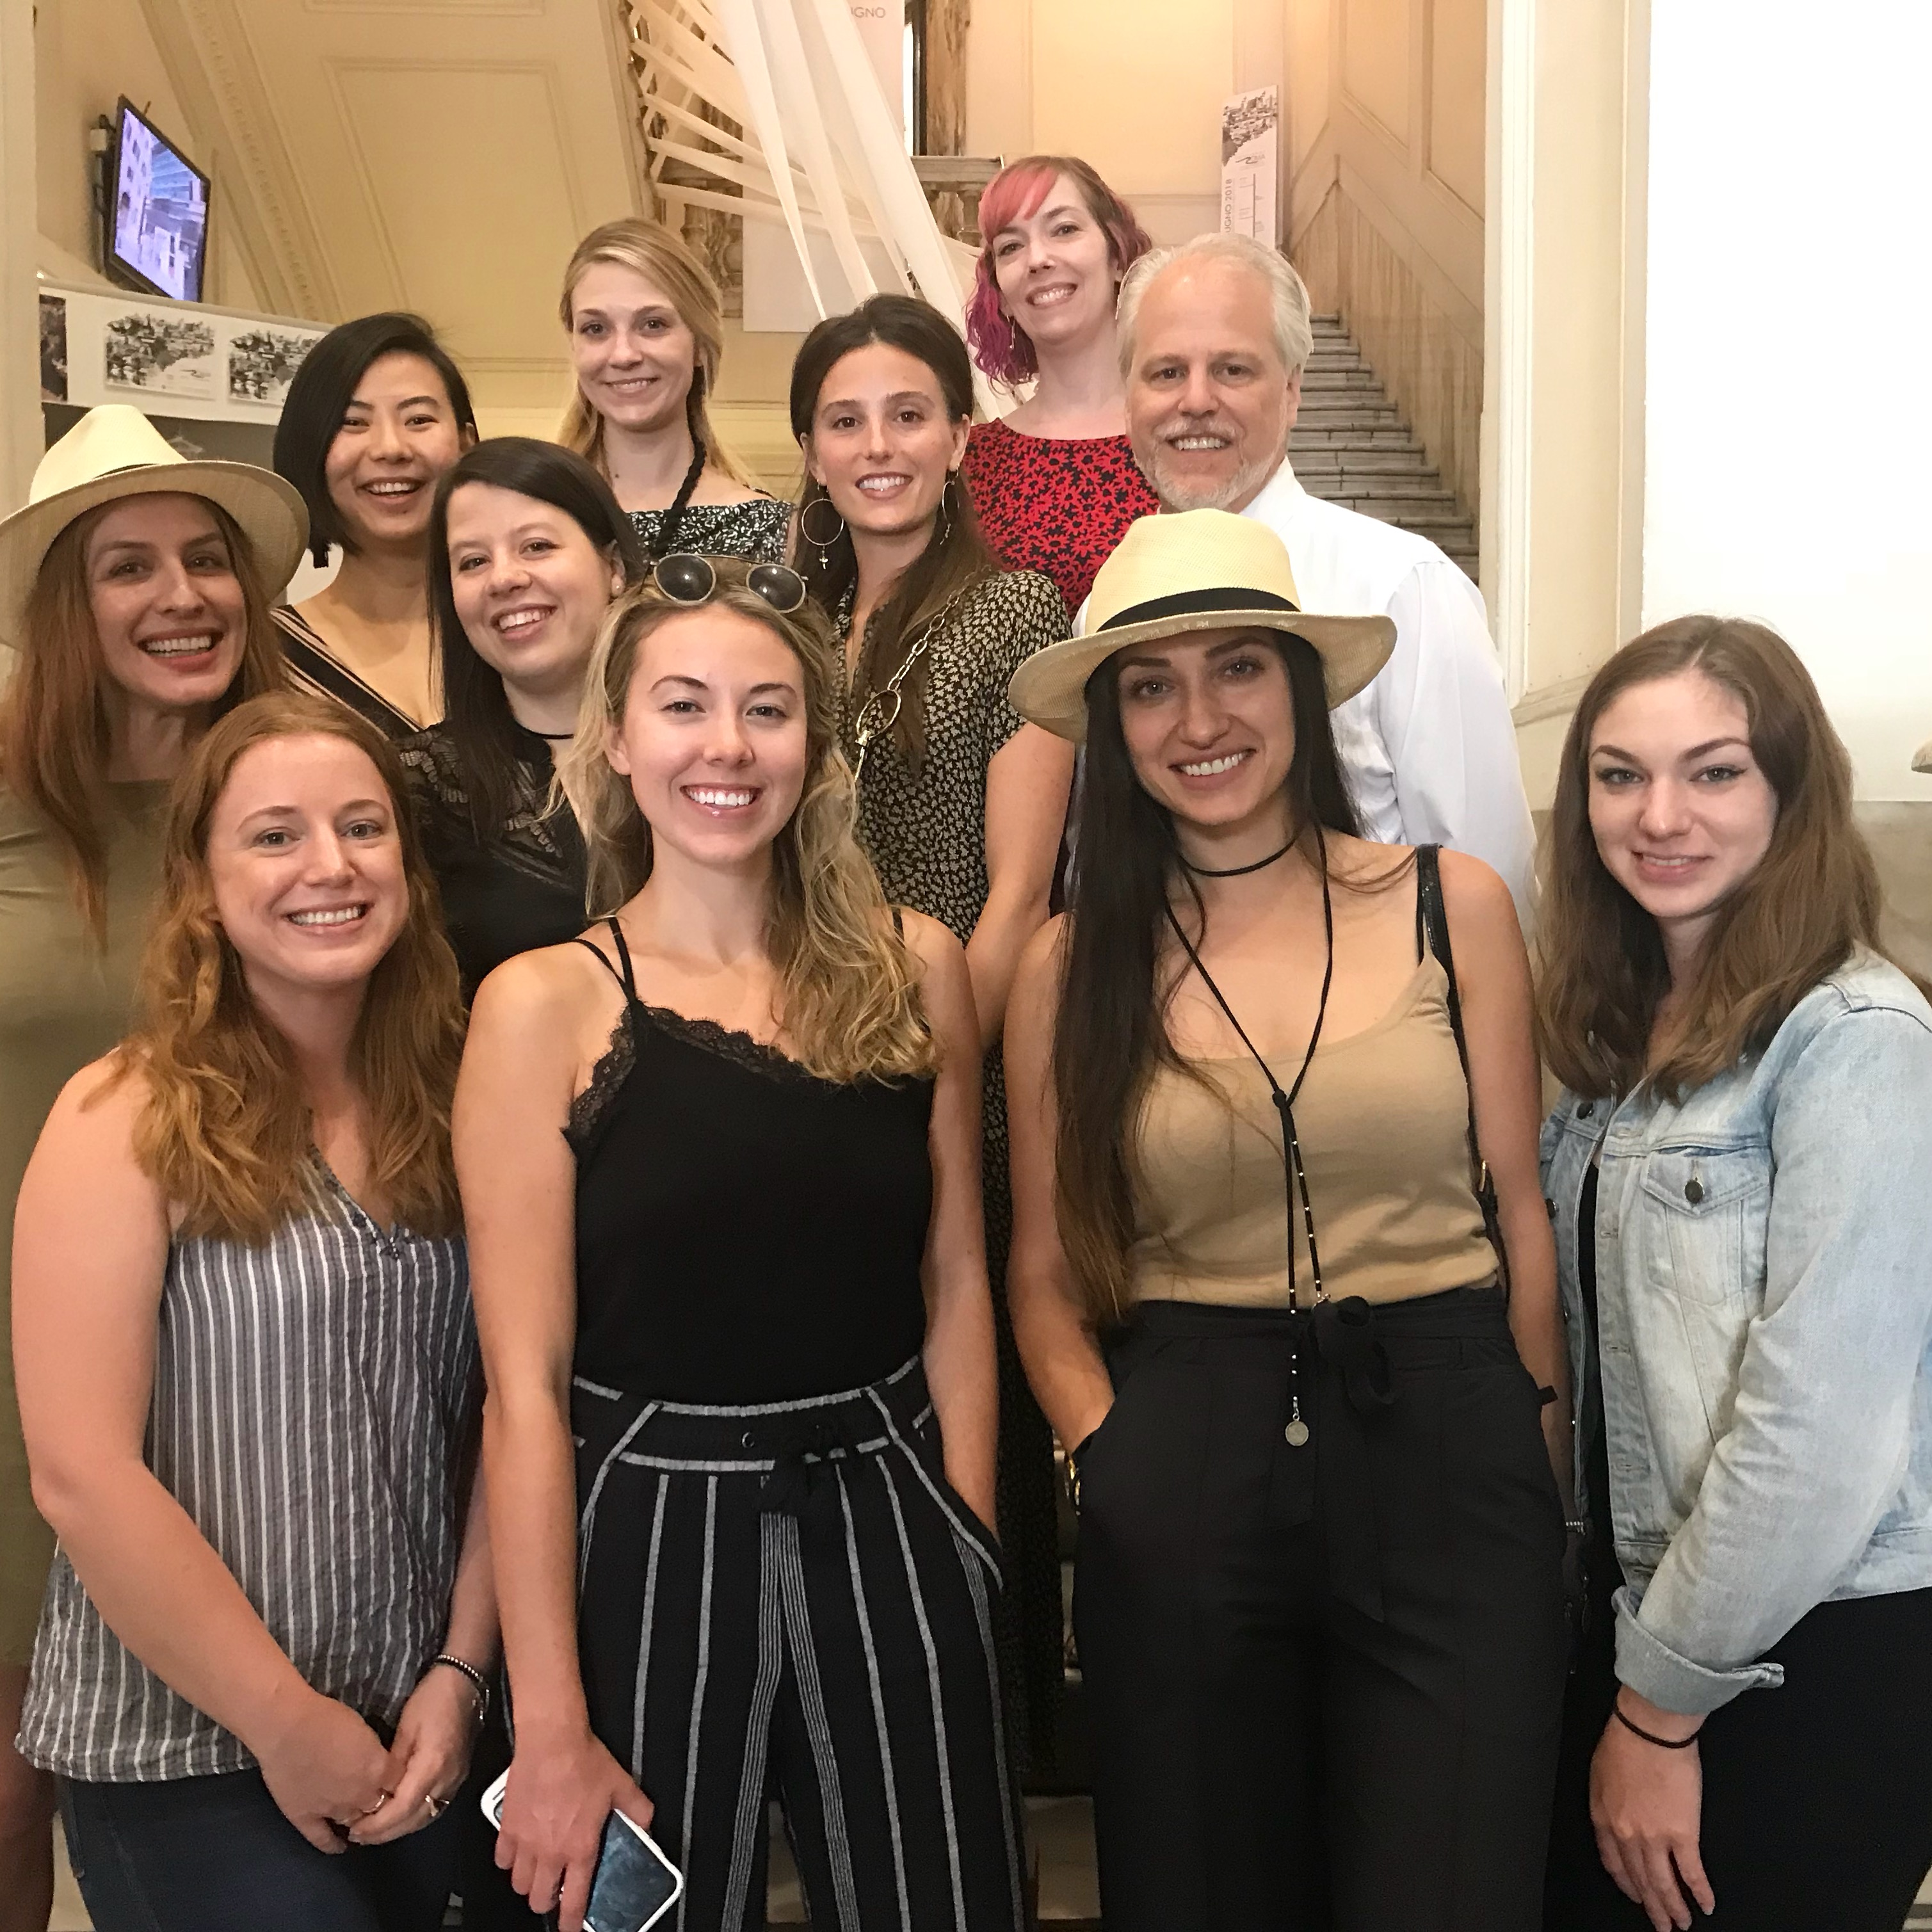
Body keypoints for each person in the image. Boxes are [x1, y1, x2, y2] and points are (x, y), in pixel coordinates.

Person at [1004, 509, 1571, 1931]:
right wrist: (1109, 1457)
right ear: (1116, 725)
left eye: (1240, 667)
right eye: (1151, 683)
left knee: (1451, 1887)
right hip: (1186, 1446)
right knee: (1202, 1892)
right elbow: (1042, 1269)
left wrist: (1534, 1442)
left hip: (1449, 1437)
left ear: (1301, 690)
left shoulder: (1458, 906)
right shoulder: (1071, 967)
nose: (1201, 717)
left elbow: (1518, 1211)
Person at [455, 565, 1023, 1932]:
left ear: (815, 750)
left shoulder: (915, 967)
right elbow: (522, 1389)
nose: (726, 746)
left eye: (767, 710)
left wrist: (969, 1545)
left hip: (890, 1500)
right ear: (618, 741)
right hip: (647, 1521)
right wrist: (544, 1717)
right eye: (685, 706)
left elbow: (953, 1279)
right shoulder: (541, 1006)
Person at [12, 693, 492, 1932]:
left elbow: (514, 1411)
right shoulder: (121, 1117)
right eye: (273, 836)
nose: (328, 867)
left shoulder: (459, 1104)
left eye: (361, 827)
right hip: (187, 1752)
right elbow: (81, 1473)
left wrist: (460, 1672)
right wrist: (284, 1720)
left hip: (421, 1731)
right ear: (202, 881)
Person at [1537, 617, 1932, 1932]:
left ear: (1791, 790)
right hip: (1644, 1625)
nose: (1659, 816)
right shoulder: (1611, 1036)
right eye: (1618, 773)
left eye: (1713, 772)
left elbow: (1819, 1431)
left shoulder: (1858, 1040)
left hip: (1804, 1658)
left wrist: (1659, 1712)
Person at [0, 404, 303, 1932]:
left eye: (207, 560)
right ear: (71, 606)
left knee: (201, 1787)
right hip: (10, 1375)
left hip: (231, 1372)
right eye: (129, 566)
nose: (180, 594)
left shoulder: (286, 805)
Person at [789, 291, 1074, 1778]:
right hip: (801, 1067)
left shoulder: (1016, 609)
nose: (879, 443)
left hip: (944, 1062)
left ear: (960, 434)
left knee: (963, 1383)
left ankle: (981, 1740)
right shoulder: (786, 619)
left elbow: (1022, 886)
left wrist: (939, 1071)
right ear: (811, 448)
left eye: (909, 412)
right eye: (847, 418)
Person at [1116, 232, 1536, 926]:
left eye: (1232, 370)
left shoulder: (1404, 591)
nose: (1195, 401)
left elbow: (1491, 889)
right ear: (1126, 398)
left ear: (1292, 392)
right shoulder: (1107, 608)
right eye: (1165, 373)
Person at [404, 438, 645, 999]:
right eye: (473, 561)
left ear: (612, 566)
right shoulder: (420, 786)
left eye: (536, 546)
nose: (504, 578)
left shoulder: (703, 751)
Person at [960, 155, 1159, 610]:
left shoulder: (1178, 433)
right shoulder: (971, 462)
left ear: (1117, 256)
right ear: (1002, 298)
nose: (1038, 259)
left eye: (1064, 229)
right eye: (1011, 247)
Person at [273, 312, 479, 737]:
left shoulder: (518, 622)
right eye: (353, 423)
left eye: (419, 420)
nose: (391, 448)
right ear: (309, 450)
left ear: (466, 443)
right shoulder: (268, 656)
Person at [558, 219, 790, 565]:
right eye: (596, 328)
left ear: (699, 346)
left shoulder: (772, 534)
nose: (623, 355)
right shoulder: (534, 515)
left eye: (653, 325)